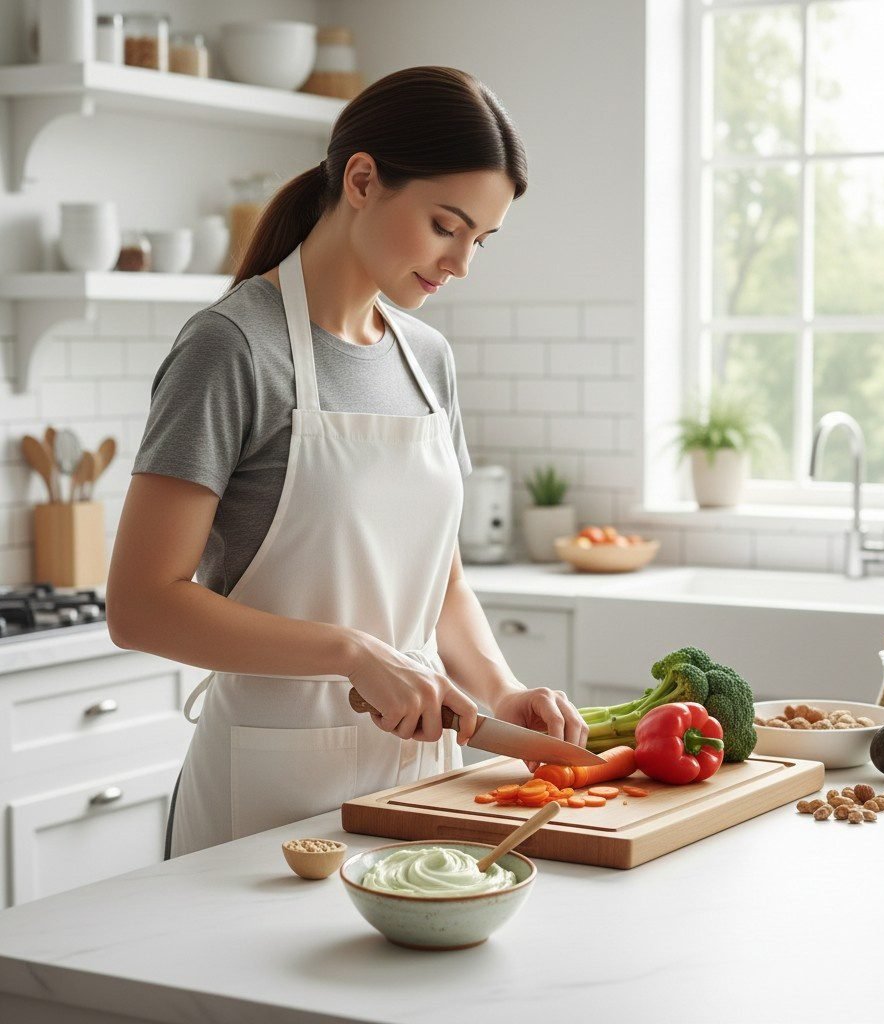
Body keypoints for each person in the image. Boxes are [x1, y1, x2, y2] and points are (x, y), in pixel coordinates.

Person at [106, 66, 589, 859]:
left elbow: (442, 582)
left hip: (420, 776)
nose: (461, 262)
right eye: (446, 226)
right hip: (269, 790)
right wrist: (352, 652)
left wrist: (501, 689)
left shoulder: (427, 358)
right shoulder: (231, 348)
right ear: (362, 179)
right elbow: (140, 605)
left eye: (481, 240)